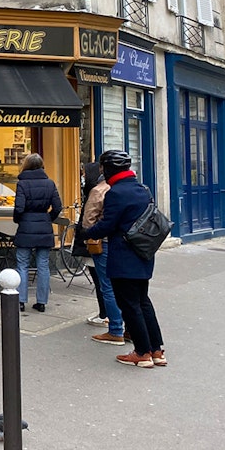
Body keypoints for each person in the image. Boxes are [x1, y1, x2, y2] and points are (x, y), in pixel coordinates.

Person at [81, 150, 165, 369]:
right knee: (143, 301)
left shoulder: (116, 193)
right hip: (143, 253)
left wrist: (86, 233)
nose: (101, 172)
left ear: (109, 169)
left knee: (129, 305)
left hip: (124, 256)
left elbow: (108, 224)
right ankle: (156, 350)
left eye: (102, 168)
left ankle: (141, 353)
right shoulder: (142, 189)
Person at [78, 160, 126, 345]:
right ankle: (128, 327)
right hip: (126, 244)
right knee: (123, 286)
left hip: (104, 243)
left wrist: (89, 234)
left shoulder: (99, 190)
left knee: (107, 286)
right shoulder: (133, 188)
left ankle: (115, 329)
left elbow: (88, 221)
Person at [12, 153, 63, 312]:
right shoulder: (50, 183)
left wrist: (19, 220)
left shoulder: (22, 184)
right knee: (43, 266)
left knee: (22, 265)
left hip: (26, 227)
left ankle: (20, 300)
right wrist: (48, 218)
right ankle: (42, 302)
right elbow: (58, 207)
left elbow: (19, 208)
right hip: (44, 227)